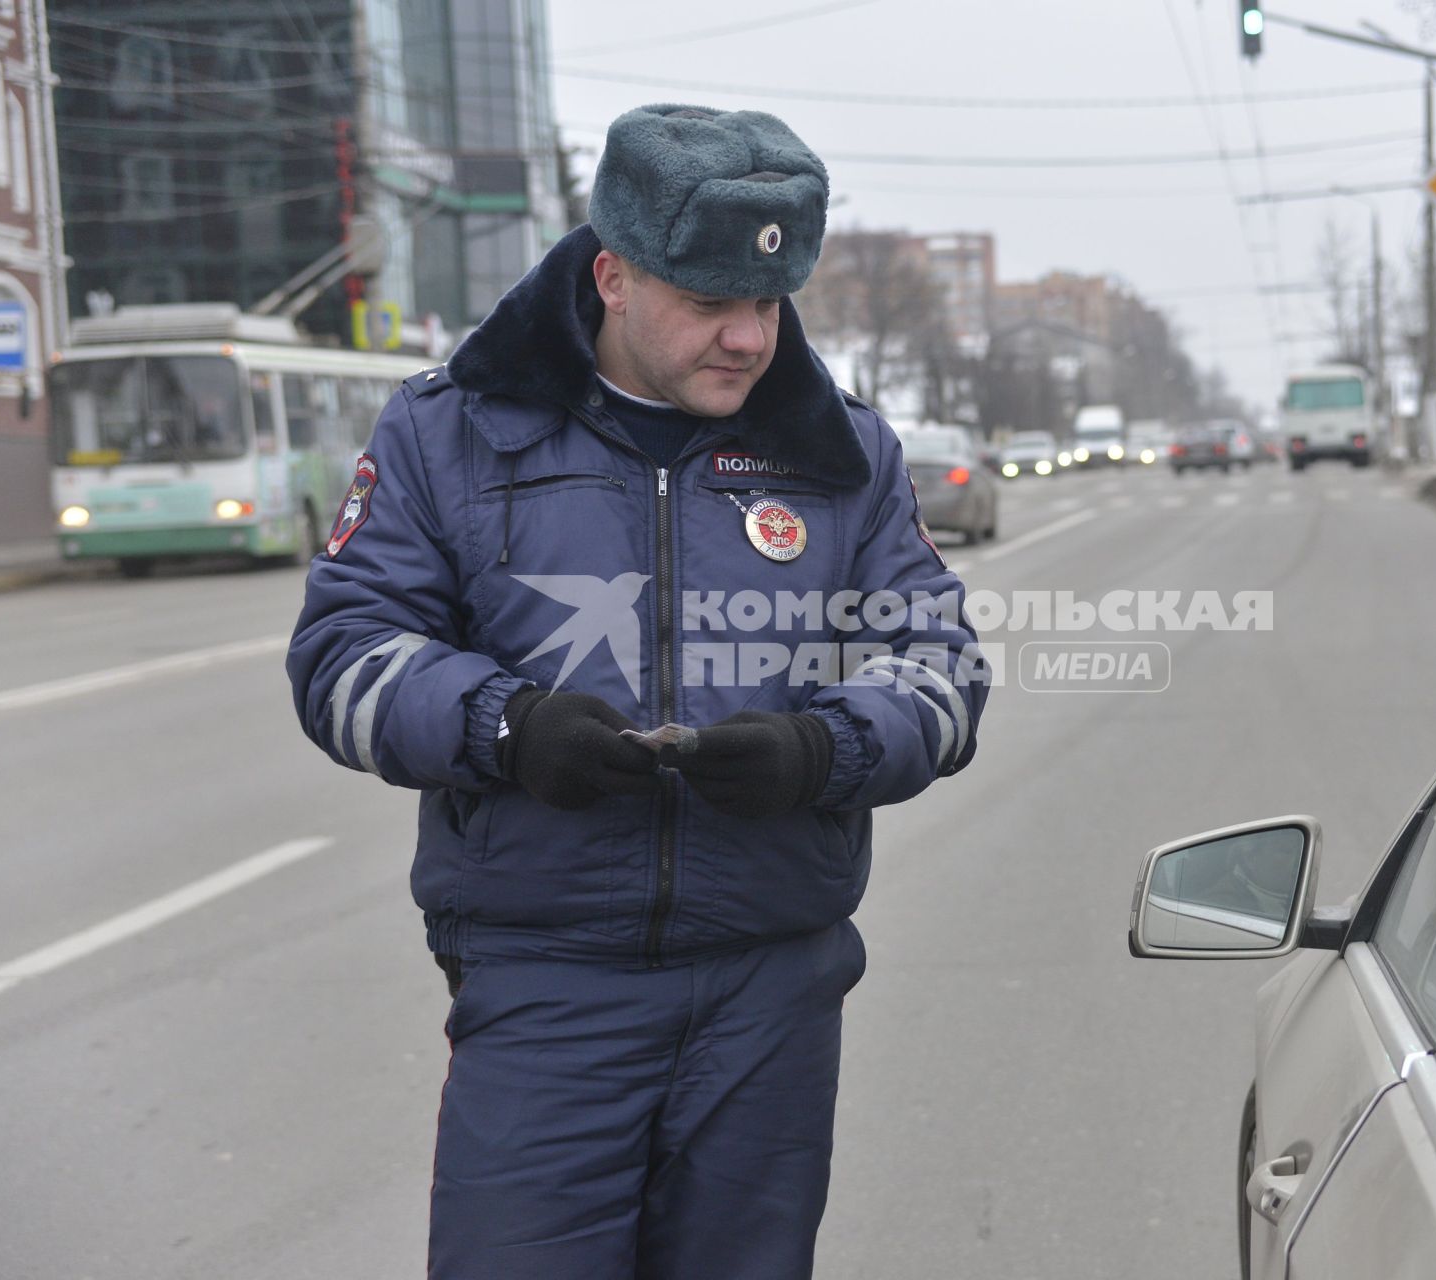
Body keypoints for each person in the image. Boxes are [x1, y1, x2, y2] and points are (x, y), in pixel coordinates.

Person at [286, 104, 987, 1278]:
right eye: (710, 302)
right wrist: (505, 726)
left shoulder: (843, 452)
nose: (749, 338)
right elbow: (343, 654)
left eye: (766, 303)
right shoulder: (449, 430)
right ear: (612, 275)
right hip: (545, 979)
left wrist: (826, 750)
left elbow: (942, 668)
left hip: (774, 985)